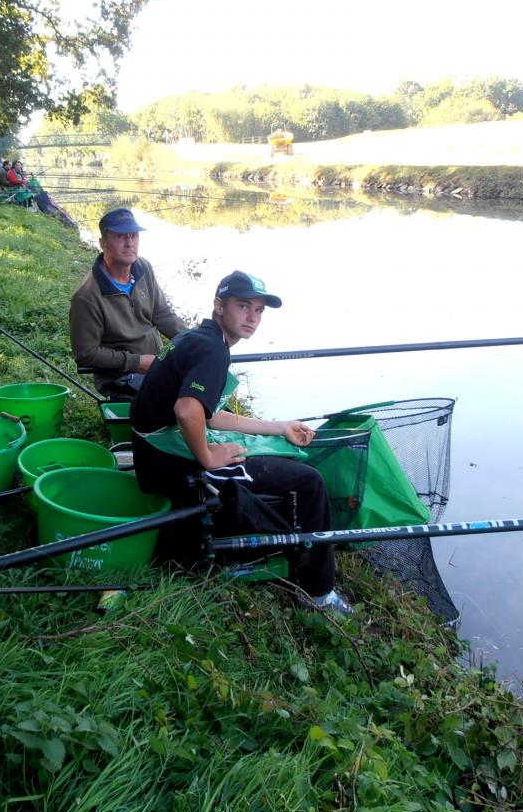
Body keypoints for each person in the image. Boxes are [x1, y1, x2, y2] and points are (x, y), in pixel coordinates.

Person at [129, 270, 353, 615]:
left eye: (259, 310)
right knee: (309, 481)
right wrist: (206, 456)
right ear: (219, 306)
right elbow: (188, 410)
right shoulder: (213, 350)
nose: (252, 317)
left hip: (153, 455)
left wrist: (279, 428)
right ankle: (319, 593)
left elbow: (210, 415)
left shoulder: (202, 338)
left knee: (266, 455)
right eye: (243, 306)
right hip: (167, 466)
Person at [69, 207, 185, 399]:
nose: (129, 243)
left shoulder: (143, 267)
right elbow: (86, 354)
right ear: (102, 243)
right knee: (181, 399)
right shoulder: (87, 296)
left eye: (134, 236)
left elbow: (163, 315)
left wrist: (193, 340)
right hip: (119, 377)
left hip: (155, 365)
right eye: (121, 236)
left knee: (200, 386)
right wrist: (136, 362)